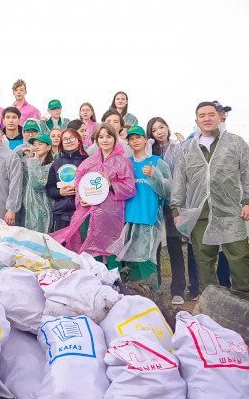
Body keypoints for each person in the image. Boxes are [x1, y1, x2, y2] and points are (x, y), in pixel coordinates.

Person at [170, 102, 249, 294]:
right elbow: (179, 181)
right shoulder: (187, 148)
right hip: (200, 213)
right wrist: (176, 209)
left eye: (211, 114)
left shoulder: (235, 143)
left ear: (220, 118)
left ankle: (245, 299)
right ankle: (210, 300)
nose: (207, 119)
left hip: (231, 210)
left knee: (240, 255)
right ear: (196, 121)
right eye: (202, 115)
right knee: (203, 258)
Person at [52, 125, 137, 265]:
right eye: (101, 136)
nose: (105, 140)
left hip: (110, 215)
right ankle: (90, 281)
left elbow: (130, 188)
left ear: (115, 139)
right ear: (96, 140)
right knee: (86, 247)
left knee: (109, 248)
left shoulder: (123, 162)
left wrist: (110, 184)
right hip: (87, 214)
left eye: (109, 136)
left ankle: (111, 281)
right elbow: (79, 184)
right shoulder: (88, 162)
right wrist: (82, 199)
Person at [148, 116, 195, 304]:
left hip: (173, 203)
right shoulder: (149, 150)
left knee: (175, 246)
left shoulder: (177, 148)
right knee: (155, 248)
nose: (159, 131)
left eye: (162, 127)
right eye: (154, 130)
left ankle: (178, 290)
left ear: (167, 127)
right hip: (154, 204)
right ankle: (155, 287)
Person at [118, 126, 171, 288]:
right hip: (128, 218)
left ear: (145, 140)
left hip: (148, 217)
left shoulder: (156, 162)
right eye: (131, 139)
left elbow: (167, 191)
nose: (135, 141)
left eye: (138, 137)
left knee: (146, 260)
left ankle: (155, 296)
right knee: (131, 260)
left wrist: (154, 174)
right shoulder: (126, 163)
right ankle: (137, 296)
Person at [46, 123, 88, 232]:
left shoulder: (88, 161)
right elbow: (50, 188)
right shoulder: (56, 163)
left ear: (79, 140)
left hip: (82, 212)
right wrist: (60, 193)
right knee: (60, 247)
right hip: (62, 214)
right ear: (61, 144)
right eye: (65, 139)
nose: (69, 141)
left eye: (72, 138)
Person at [21, 133, 54, 233]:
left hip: (42, 212)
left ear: (48, 147)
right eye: (34, 145)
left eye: (40, 144)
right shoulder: (30, 162)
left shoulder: (51, 166)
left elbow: (37, 184)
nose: (36, 147)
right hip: (27, 210)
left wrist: (34, 161)